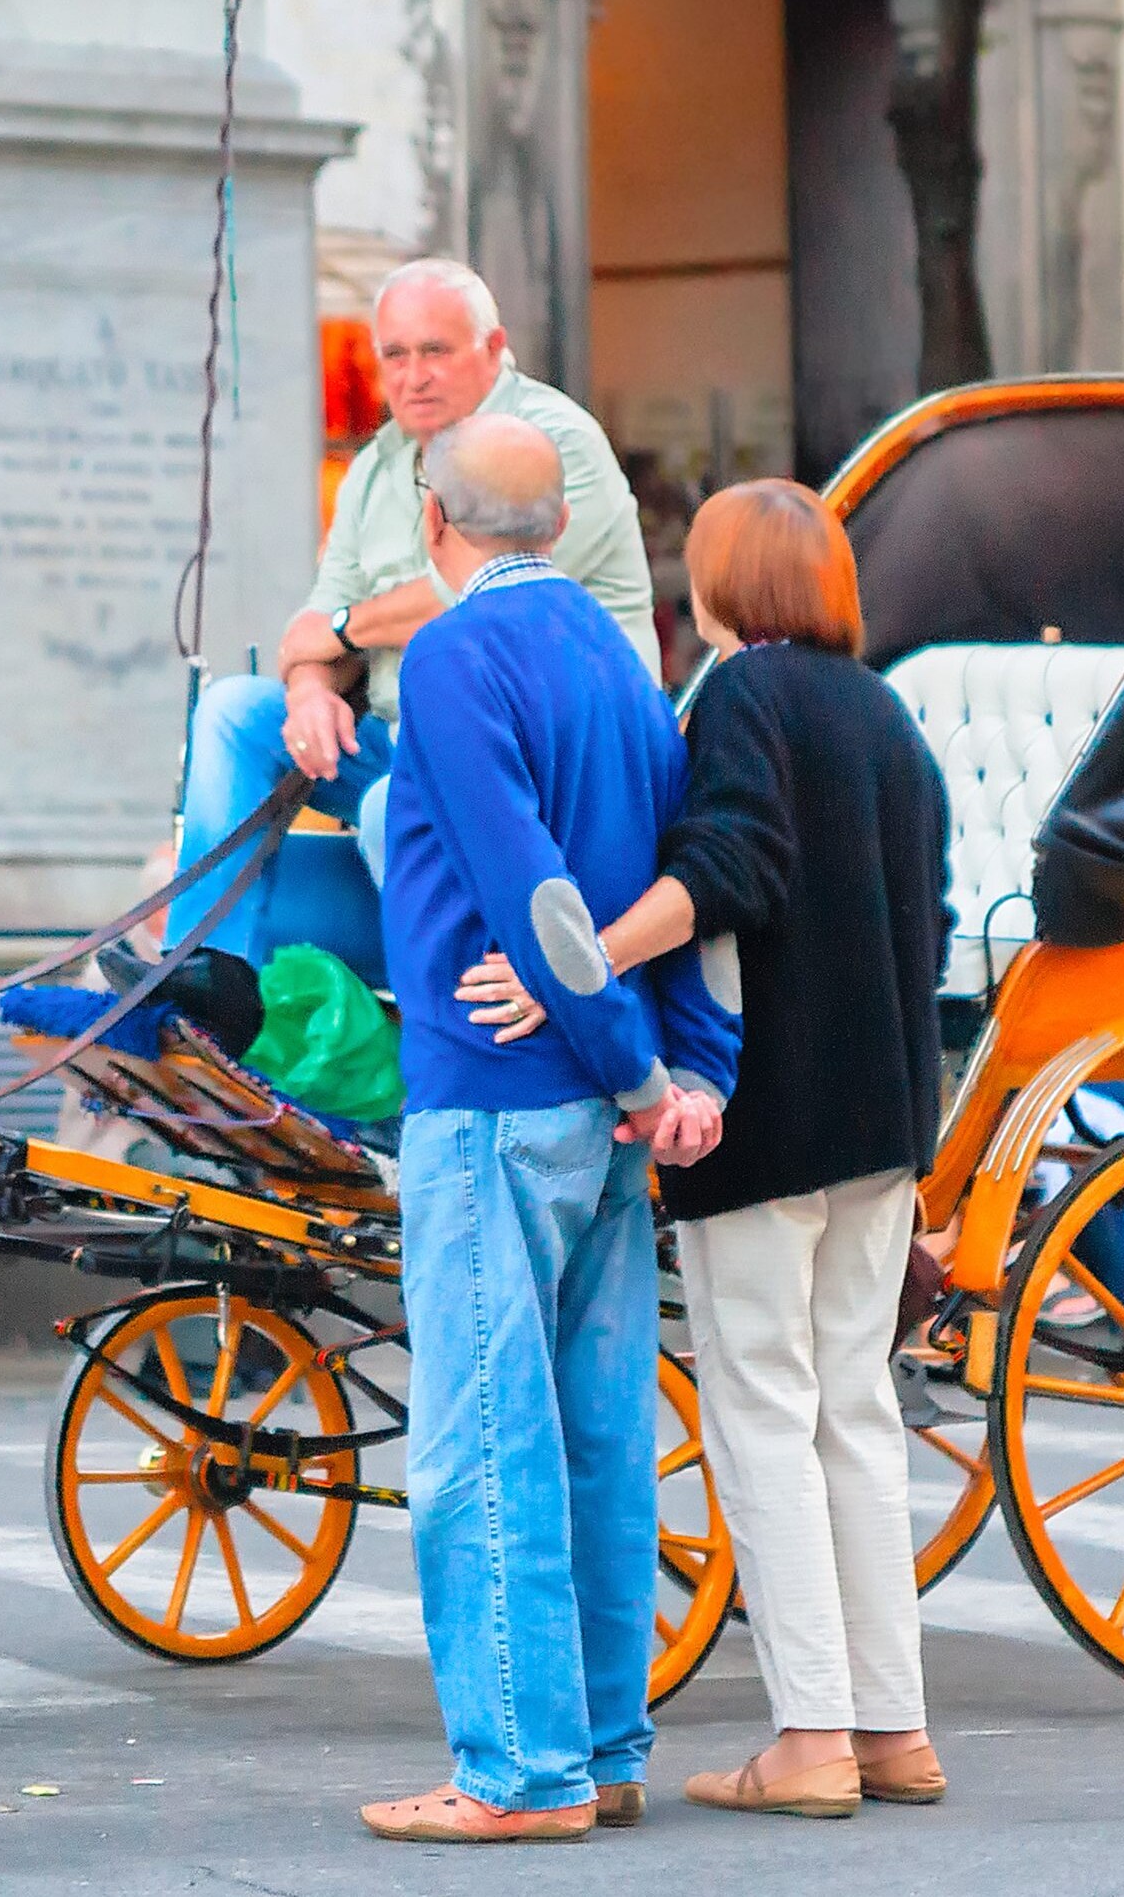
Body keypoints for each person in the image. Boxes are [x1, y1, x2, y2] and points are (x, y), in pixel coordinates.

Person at [456, 480, 950, 1819]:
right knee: (858, 1406)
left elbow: (731, 863)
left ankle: (809, 1737)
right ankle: (894, 1725)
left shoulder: (745, 697)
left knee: (764, 1408)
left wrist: (591, 956)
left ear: (729, 587)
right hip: (886, 1120)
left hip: (771, 1112)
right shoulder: (886, 713)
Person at [357, 414, 733, 1846]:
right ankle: (603, 1741)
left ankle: (518, 1768)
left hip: (494, 1099)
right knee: (596, 1432)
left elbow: (534, 896)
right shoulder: (621, 662)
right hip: (606, 1113)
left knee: (480, 1437)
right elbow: (682, 884)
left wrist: (642, 1070)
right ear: (562, 517)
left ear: (433, 524)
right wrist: (678, 1075)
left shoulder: (453, 653)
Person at [169, 260, 654, 965]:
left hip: (552, 773)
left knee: (390, 813)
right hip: (410, 751)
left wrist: (345, 630)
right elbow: (311, 626)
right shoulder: (377, 466)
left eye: (435, 351)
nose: (413, 375)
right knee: (236, 715)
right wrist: (309, 694)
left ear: (493, 350)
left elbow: (490, 591)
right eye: (395, 354)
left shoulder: (549, 440)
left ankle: (472, 1032)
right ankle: (204, 976)